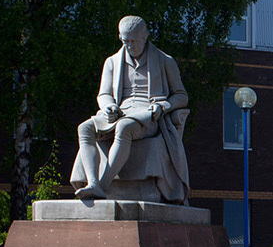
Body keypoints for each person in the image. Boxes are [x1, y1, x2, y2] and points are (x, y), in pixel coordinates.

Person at [73, 15, 190, 202]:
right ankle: (93, 183)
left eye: (134, 41)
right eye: (126, 41)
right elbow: (103, 94)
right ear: (120, 38)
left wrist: (162, 106)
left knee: (124, 128)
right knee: (84, 128)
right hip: (118, 111)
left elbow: (181, 95)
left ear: (145, 37)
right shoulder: (111, 62)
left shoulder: (165, 61)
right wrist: (108, 105)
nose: (130, 46)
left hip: (149, 114)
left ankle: (102, 186)